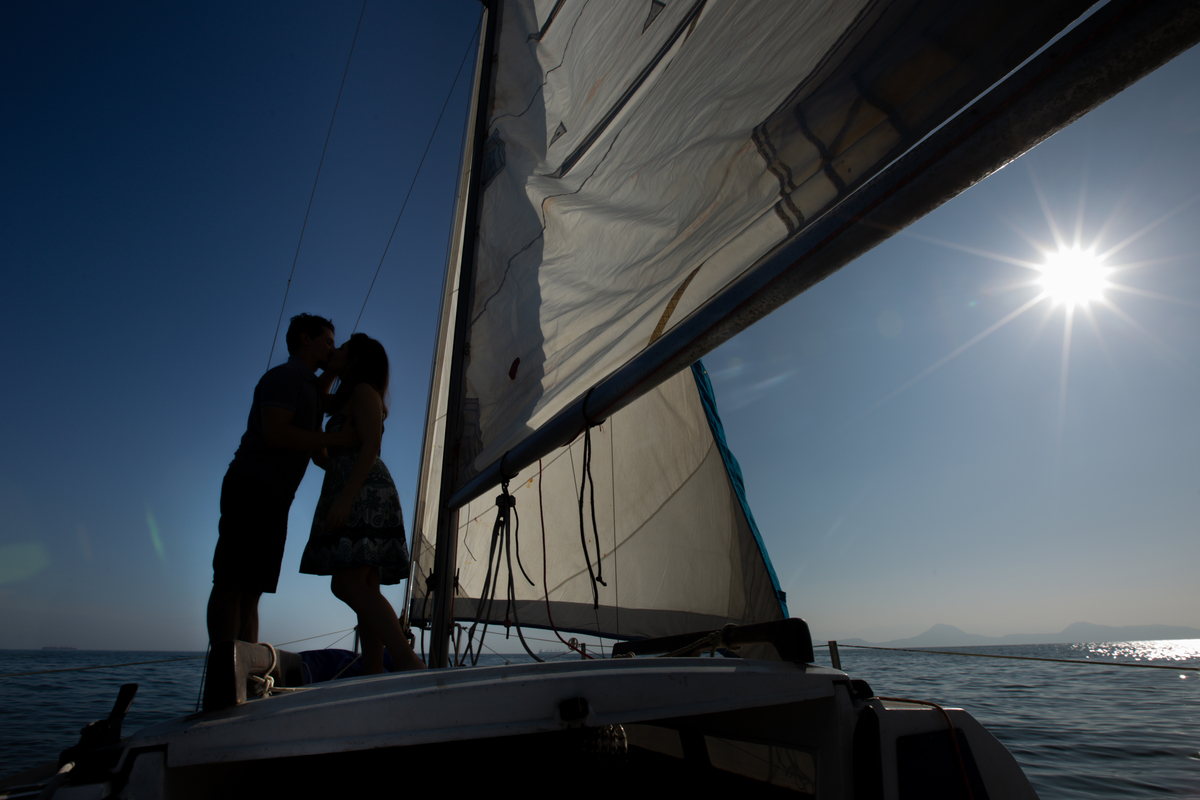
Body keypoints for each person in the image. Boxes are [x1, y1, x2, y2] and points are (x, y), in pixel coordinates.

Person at [207, 314, 355, 645]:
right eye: (328, 342)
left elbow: (315, 451)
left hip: (276, 496)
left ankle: (245, 671)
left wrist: (352, 480)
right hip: (252, 486)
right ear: (305, 339)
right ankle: (223, 669)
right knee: (232, 582)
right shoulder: (284, 377)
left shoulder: (312, 390)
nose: (332, 348)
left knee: (253, 588)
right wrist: (337, 440)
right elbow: (276, 434)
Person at [300, 333, 425, 672]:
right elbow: (314, 399)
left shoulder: (363, 391)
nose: (334, 350)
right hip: (352, 488)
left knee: (346, 583)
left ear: (354, 360)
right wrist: (331, 367)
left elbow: (370, 448)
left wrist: (344, 499)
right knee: (366, 585)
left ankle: (406, 660)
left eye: (341, 349)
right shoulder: (345, 394)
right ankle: (372, 670)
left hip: (365, 494)